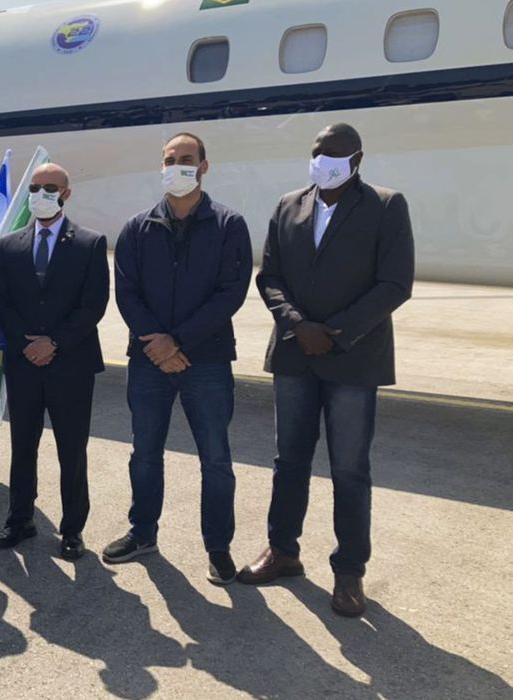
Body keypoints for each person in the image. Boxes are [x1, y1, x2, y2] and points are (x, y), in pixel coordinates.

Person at [237, 123, 414, 617]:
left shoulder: (385, 205)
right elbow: (270, 276)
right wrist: (298, 325)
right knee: (289, 460)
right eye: (318, 152)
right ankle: (283, 551)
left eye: (334, 154)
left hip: (352, 357)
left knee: (350, 468)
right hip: (296, 352)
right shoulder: (288, 205)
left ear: (357, 159)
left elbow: (395, 283)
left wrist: (334, 332)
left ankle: (349, 571)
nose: (323, 161)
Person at [105, 133, 253, 585]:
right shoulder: (137, 228)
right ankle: (142, 533)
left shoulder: (229, 225)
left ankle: (218, 547)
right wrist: (158, 344)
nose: (177, 166)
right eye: (169, 159)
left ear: (204, 166)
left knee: (216, 459)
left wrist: (179, 342)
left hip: (206, 361)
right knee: (145, 453)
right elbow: (126, 292)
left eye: (186, 159)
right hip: (148, 360)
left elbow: (231, 293)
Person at [0, 163, 109, 560]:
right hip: (24, 362)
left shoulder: (89, 243)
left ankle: (72, 529)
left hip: (71, 363)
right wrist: (28, 344)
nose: (41, 194)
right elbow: (1, 299)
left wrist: (54, 342)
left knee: (71, 449)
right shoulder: (10, 245)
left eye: (50, 188)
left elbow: (93, 304)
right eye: (35, 187)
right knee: (23, 445)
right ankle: (19, 519)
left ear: (66, 194)